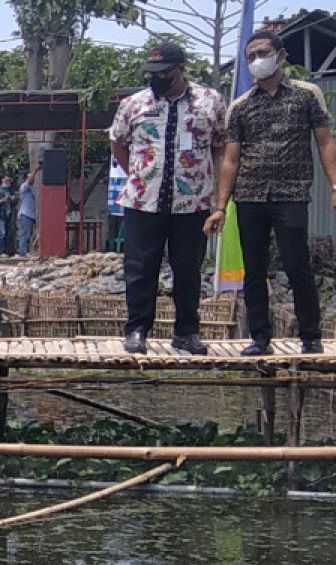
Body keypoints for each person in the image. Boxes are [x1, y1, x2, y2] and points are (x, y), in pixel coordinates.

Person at [205, 30, 336, 356]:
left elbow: (325, 142)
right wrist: (220, 206)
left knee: (297, 265)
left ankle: (310, 336)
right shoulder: (240, 106)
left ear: (280, 55)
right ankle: (260, 338)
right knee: (254, 269)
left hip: (291, 194)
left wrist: (335, 185)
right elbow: (231, 159)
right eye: (250, 57)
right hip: (249, 197)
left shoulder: (308, 95)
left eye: (261, 53)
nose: (255, 61)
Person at [110, 41, 227, 356]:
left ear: (181, 69)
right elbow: (117, 142)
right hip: (142, 201)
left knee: (188, 269)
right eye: (153, 73)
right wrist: (140, 172)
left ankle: (187, 332)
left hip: (191, 204)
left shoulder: (210, 102)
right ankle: (136, 330)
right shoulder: (133, 104)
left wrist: (213, 191)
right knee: (140, 269)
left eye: (164, 73)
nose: (157, 78)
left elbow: (220, 145)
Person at [16, 163, 41, 256]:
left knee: (28, 234)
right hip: (25, 214)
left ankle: (24, 250)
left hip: (29, 215)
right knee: (24, 233)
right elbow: (30, 181)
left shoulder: (30, 189)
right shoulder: (24, 187)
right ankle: (22, 252)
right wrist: (35, 170)